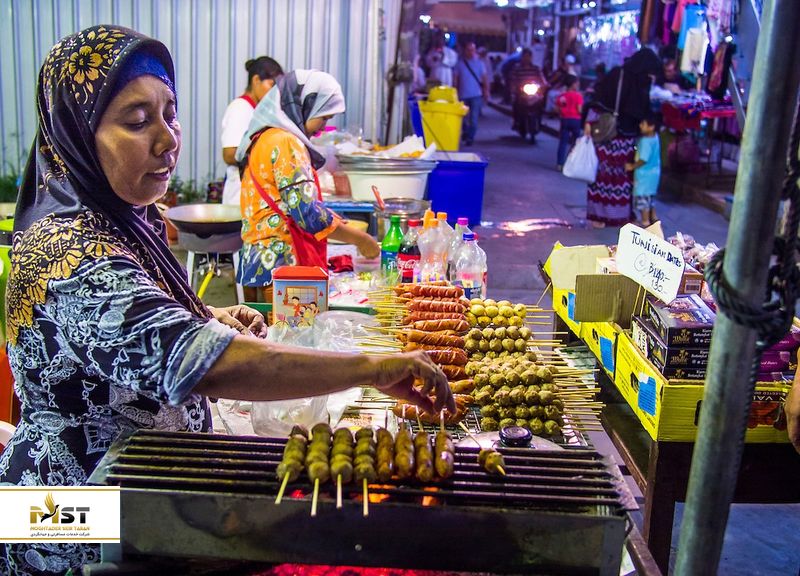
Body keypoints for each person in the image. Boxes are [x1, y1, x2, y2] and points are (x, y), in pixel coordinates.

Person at [0, 26, 453, 575]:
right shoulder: (67, 252)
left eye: (170, 113)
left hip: (139, 484)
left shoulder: (122, 221)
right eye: (138, 122)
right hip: (73, 512)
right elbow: (199, 363)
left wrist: (206, 314)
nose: (168, 140)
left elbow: (120, 333)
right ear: (74, 135)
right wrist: (374, 368)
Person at [235, 69, 380, 303]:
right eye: (323, 118)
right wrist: (361, 239)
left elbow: (284, 200)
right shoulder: (285, 142)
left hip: (258, 262)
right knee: (285, 336)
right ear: (305, 105)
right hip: (282, 267)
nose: (323, 127)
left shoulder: (264, 137)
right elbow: (306, 213)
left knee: (266, 335)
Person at [583, 48, 662, 228]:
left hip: (618, 139)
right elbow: (599, 100)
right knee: (609, 178)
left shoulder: (624, 77)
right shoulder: (622, 77)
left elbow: (598, 98)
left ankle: (607, 216)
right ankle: (605, 216)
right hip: (613, 137)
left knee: (612, 178)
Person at [220, 56, 283, 205]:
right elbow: (229, 154)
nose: (275, 92)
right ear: (256, 80)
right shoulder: (240, 108)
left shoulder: (256, 111)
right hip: (238, 198)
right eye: (271, 84)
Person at [625, 115, 661, 226]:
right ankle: (654, 220)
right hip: (654, 173)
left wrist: (632, 166)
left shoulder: (645, 141)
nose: (640, 126)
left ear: (651, 127)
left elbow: (643, 159)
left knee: (643, 200)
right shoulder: (655, 137)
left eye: (643, 124)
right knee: (650, 199)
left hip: (643, 175)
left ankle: (645, 222)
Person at [453, 41, 489, 147]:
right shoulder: (460, 63)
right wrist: (455, 91)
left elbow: (484, 78)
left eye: (472, 50)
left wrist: (486, 91)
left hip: (476, 95)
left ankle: (470, 138)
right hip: (463, 95)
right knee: (463, 119)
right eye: (468, 50)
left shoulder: (480, 64)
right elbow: (456, 78)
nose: (471, 52)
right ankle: (466, 132)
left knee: (473, 119)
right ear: (465, 51)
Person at [555, 74, 584, 170]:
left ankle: (559, 164)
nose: (578, 84)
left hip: (565, 120)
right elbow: (579, 110)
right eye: (576, 83)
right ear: (573, 84)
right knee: (575, 143)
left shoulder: (562, 96)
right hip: (576, 120)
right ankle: (570, 163)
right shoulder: (578, 96)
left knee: (563, 143)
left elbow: (557, 109)